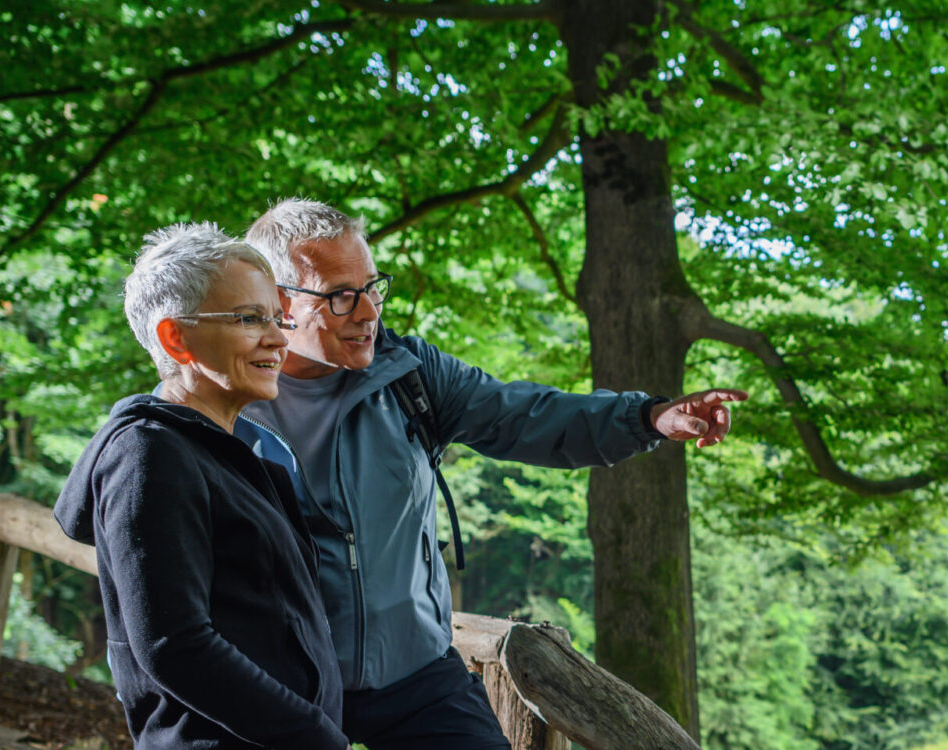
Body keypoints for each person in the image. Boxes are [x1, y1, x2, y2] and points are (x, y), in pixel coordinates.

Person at [237, 198, 746, 750]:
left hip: (418, 678)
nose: (368, 313)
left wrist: (647, 418)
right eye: (341, 296)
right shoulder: (226, 403)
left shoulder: (409, 376)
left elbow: (524, 415)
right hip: (289, 688)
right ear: (280, 303)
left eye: (373, 287)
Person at [55, 223, 348, 749]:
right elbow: (176, 645)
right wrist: (316, 739)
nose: (279, 338)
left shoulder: (234, 456)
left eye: (277, 319)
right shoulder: (149, 455)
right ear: (176, 337)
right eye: (249, 319)